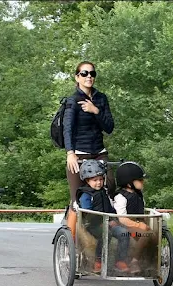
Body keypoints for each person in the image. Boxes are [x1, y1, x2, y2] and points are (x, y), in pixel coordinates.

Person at [63, 61, 115, 239]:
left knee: (110, 188)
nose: (89, 77)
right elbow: (67, 129)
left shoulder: (101, 98)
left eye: (92, 73)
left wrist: (95, 111)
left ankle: (107, 238)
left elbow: (109, 127)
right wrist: (70, 153)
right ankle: (70, 242)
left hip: (99, 151)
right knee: (77, 198)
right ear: (77, 77)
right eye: (84, 74)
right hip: (79, 153)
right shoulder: (72, 100)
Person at [76, 160, 131, 273]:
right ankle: (98, 260)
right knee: (106, 234)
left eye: (101, 179)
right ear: (87, 180)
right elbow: (88, 214)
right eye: (95, 180)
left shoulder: (103, 192)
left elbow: (109, 209)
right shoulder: (86, 195)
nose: (99, 183)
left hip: (107, 222)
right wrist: (102, 222)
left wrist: (113, 219)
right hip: (92, 225)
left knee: (124, 233)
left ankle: (120, 261)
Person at [113, 161, 158, 274]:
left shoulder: (138, 195)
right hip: (126, 226)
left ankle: (150, 262)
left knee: (154, 236)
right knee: (145, 235)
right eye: (140, 180)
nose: (143, 182)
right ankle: (134, 261)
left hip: (138, 224)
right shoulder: (121, 197)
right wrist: (139, 225)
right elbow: (122, 219)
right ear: (129, 183)